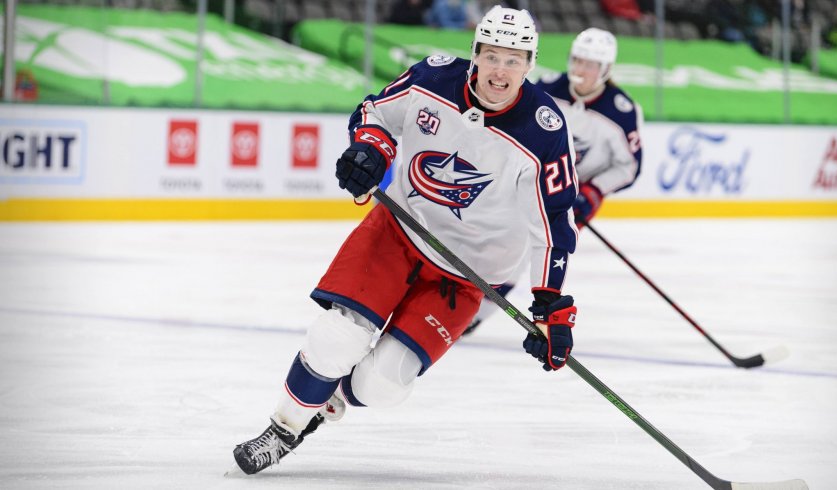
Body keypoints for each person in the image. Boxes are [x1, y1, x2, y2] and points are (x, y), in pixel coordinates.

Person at [231, 5, 580, 475]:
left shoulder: (543, 132)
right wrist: (371, 148)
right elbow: (374, 110)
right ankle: (284, 427)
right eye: (493, 56)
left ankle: (330, 398)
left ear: (530, 65)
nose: (501, 70)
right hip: (399, 231)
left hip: (467, 275)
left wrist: (551, 308)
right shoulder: (431, 79)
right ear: (475, 53)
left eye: (514, 60)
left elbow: (553, 223)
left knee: (383, 385)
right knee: (337, 338)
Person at [464, 28, 643, 335]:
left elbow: (628, 167)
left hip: (572, 200)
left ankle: (475, 315)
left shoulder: (622, 112)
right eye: (577, 60)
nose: (580, 70)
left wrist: (594, 190)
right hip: (528, 182)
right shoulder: (544, 89)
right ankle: (454, 297)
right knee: (487, 237)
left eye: (590, 64)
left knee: (525, 253)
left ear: (606, 70)